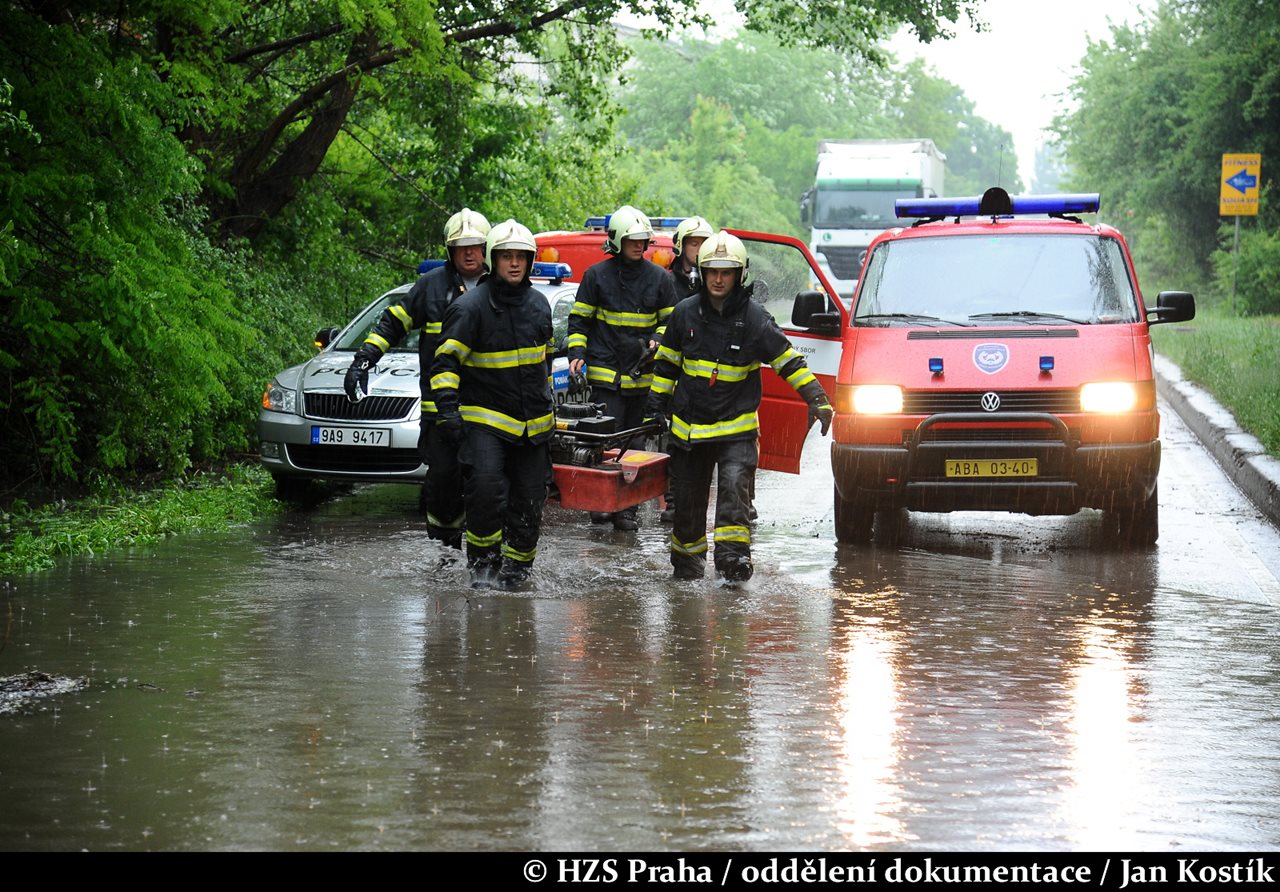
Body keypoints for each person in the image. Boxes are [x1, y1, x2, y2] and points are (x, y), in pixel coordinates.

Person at [645, 230, 834, 583]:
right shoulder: (684, 313)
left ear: (739, 274)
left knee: (734, 492)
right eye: (712, 272)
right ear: (702, 273)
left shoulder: (754, 318)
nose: (718, 279)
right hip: (690, 430)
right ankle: (687, 568)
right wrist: (655, 407)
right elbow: (667, 365)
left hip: (736, 431)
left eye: (726, 272)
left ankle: (733, 565)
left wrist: (817, 399)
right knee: (687, 505)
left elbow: (788, 362)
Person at [344, 208, 489, 551]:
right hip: (439, 411)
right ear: (450, 251)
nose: (469, 253)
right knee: (442, 484)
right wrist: (363, 360)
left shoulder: (498, 286)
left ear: (487, 248)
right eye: (461, 247)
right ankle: (445, 551)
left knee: (488, 482)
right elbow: (393, 324)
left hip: (487, 410)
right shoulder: (431, 286)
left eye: (475, 246)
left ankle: (485, 555)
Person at [430, 219, 555, 590]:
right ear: (493, 259)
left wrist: (551, 412)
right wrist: (448, 413)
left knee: (530, 498)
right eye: (506, 256)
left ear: (530, 262)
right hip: (485, 422)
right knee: (485, 491)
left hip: (533, 425)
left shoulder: (539, 305)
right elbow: (445, 364)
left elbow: (544, 365)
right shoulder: (469, 308)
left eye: (521, 257)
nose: (514, 263)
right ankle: (483, 566)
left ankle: (518, 571)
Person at [567, 205, 678, 531]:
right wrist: (577, 352)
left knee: (635, 448)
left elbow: (670, 322)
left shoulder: (659, 279)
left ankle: (627, 510)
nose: (639, 245)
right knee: (603, 444)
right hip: (606, 377)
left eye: (642, 240)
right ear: (616, 241)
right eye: (632, 240)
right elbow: (579, 321)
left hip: (641, 378)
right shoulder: (596, 276)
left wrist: (658, 339)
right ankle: (601, 506)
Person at [658, 216, 714, 524]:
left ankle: (744, 500)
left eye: (705, 243)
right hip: (676, 371)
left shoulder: (717, 279)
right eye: (694, 243)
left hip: (710, 374)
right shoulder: (667, 283)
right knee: (676, 440)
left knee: (731, 439)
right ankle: (673, 499)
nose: (699, 249)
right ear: (681, 247)